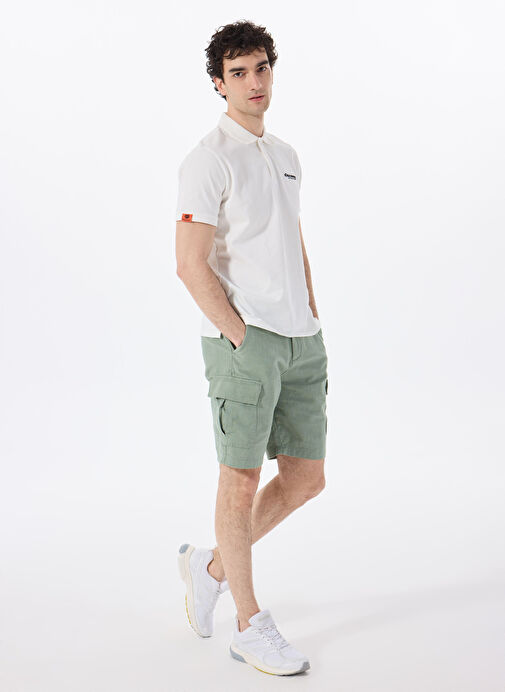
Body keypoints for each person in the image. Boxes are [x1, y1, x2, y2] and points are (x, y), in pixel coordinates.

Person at [175, 20, 328, 676]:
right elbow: (189, 263)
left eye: (261, 67)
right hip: (245, 341)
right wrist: (239, 335)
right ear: (219, 83)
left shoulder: (285, 153)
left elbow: (291, 238)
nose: (253, 81)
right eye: (237, 72)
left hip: (302, 339)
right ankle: (247, 624)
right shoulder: (208, 158)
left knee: (306, 479)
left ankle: (209, 567)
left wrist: (311, 314)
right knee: (239, 481)